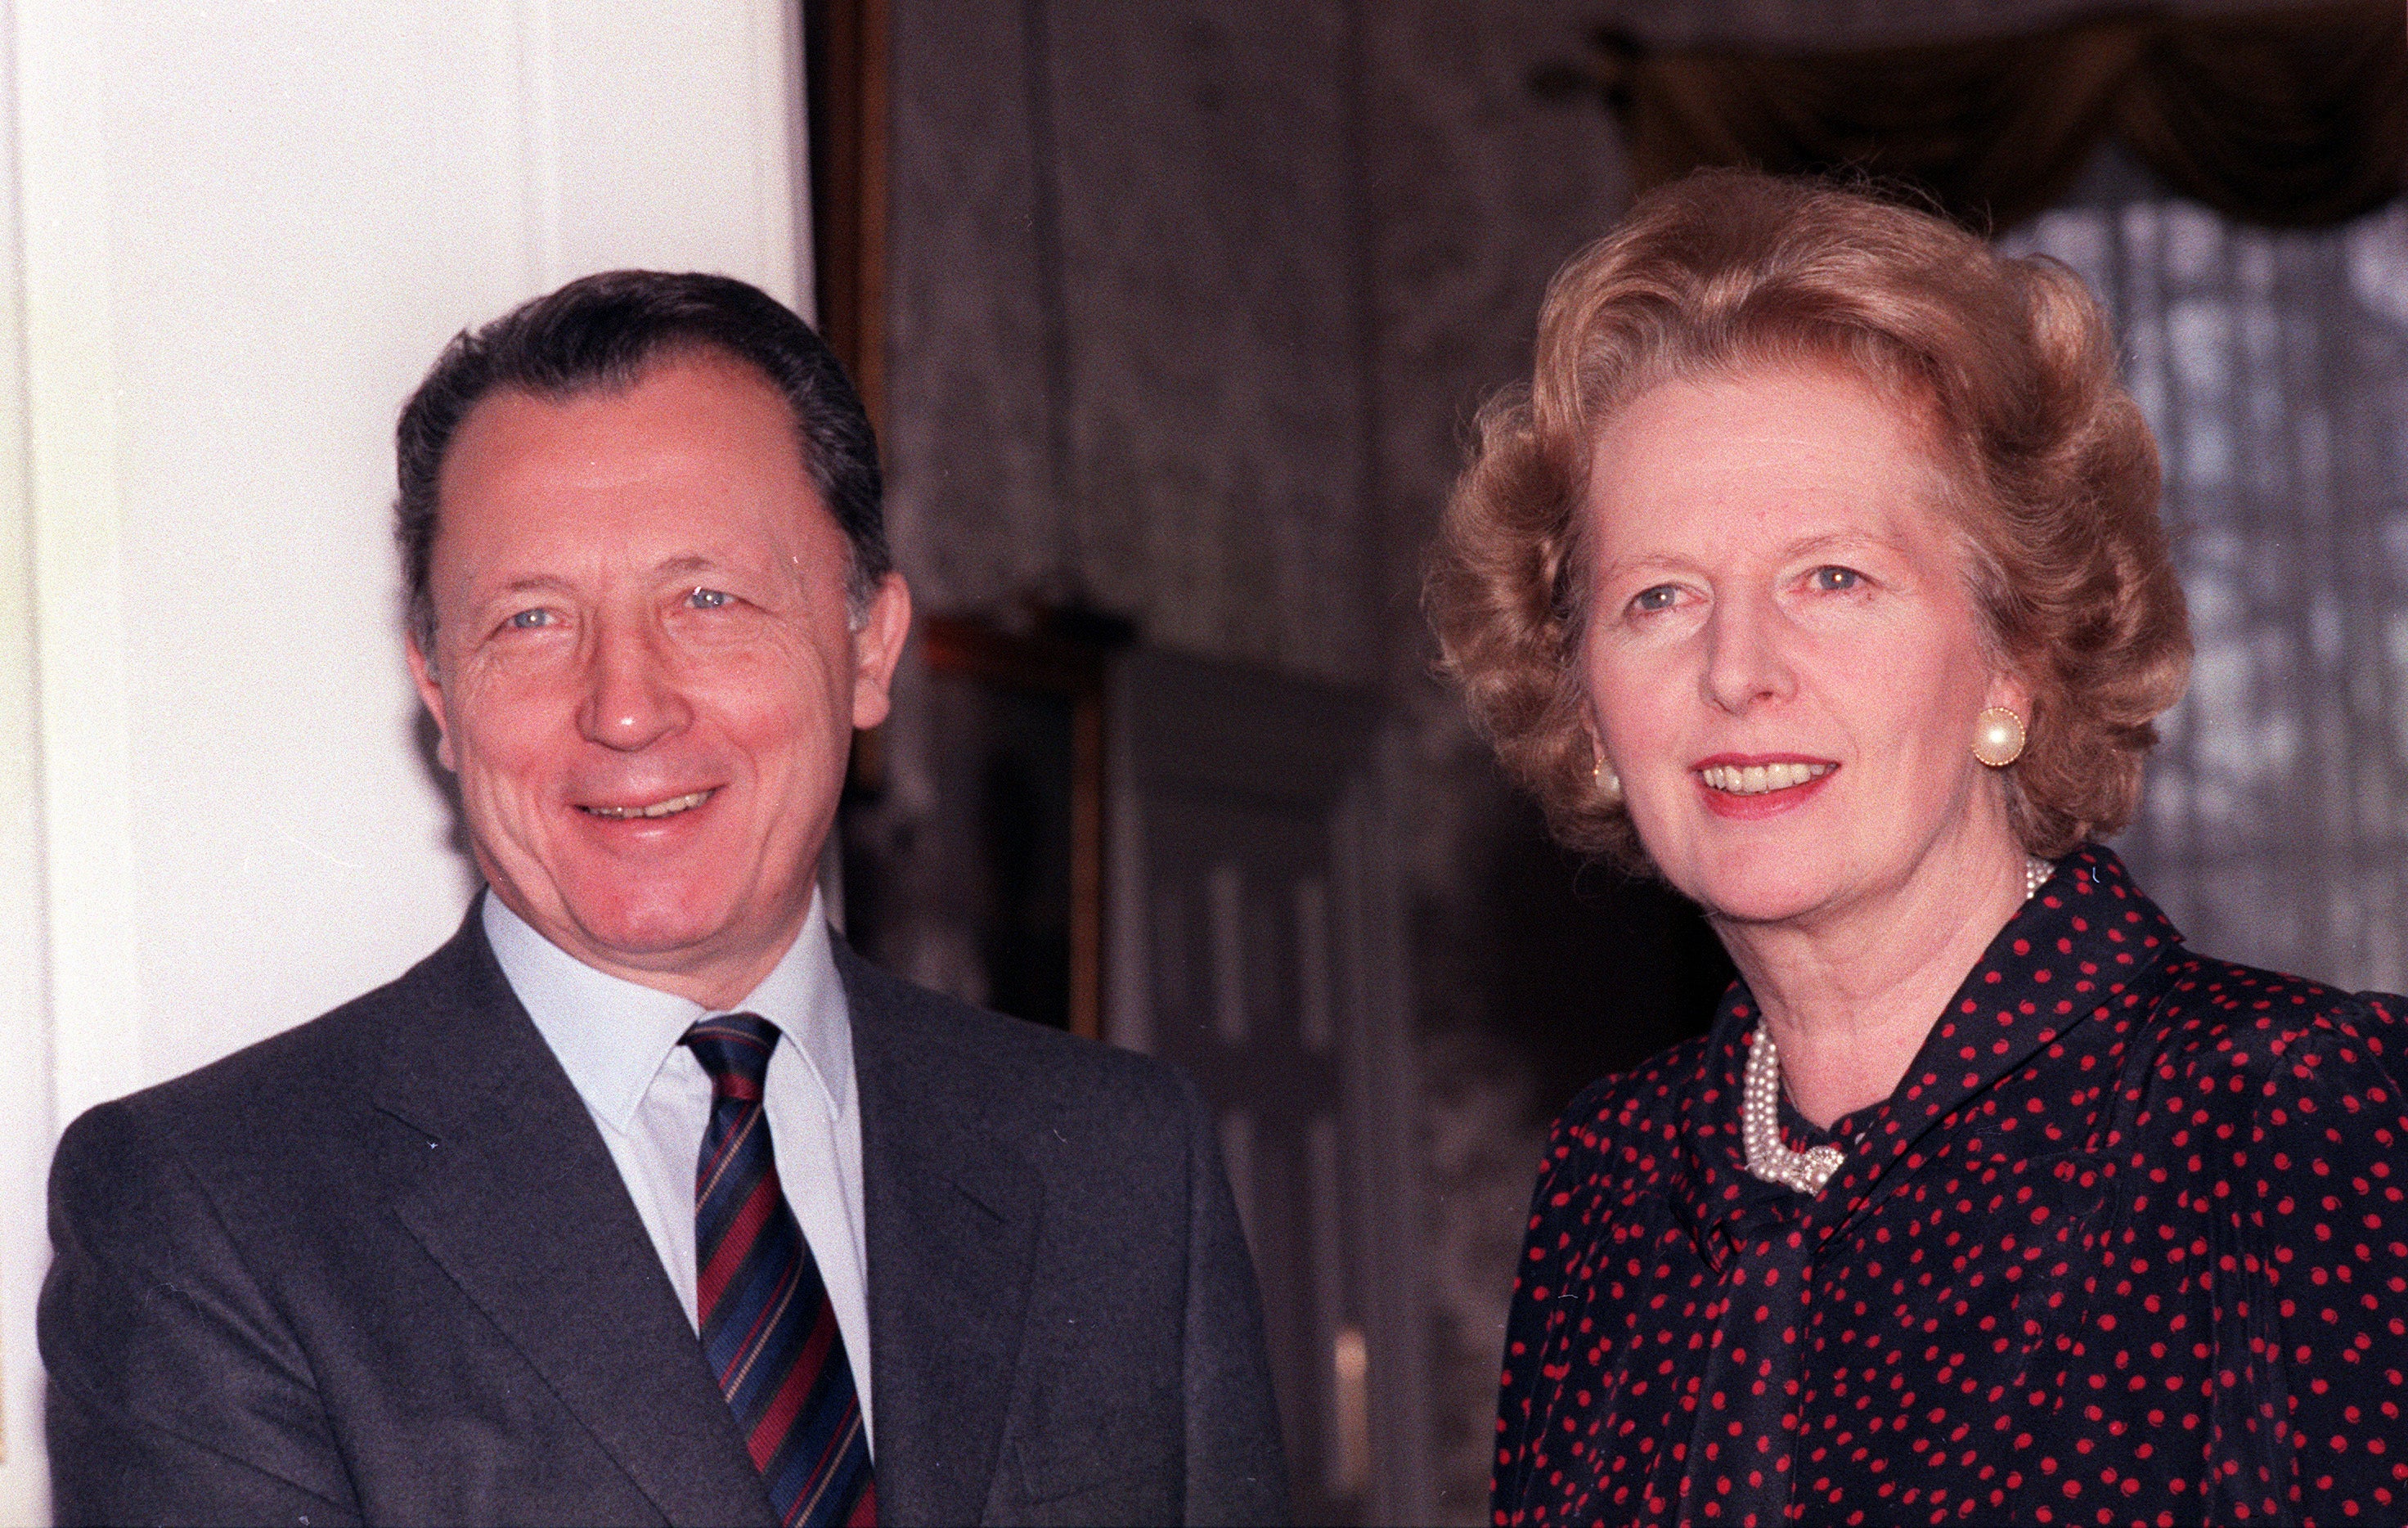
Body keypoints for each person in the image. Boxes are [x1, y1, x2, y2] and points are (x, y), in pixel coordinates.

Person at [41, 271, 1287, 1527]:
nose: (625, 706)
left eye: (707, 600)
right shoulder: (213, 1217)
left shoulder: (1120, 1165)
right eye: (531, 620)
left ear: (870, 645)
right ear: (438, 688)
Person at [1430, 170, 2408, 1526]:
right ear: (1587, 703)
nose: (1737, 671)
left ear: (2018, 659)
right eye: (1659, 597)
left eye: (1832, 578)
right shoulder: (1610, 1184)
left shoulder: (2292, 1115)